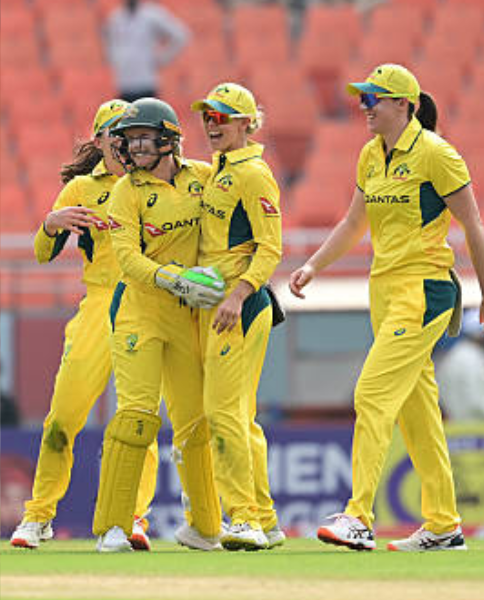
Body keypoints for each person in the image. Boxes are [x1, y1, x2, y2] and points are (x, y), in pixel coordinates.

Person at [290, 64, 484, 552]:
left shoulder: (437, 154)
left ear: (403, 103)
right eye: (363, 98)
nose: (365, 107)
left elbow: (473, 226)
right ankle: (444, 525)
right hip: (385, 293)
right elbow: (353, 222)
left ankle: (358, 516)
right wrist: (313, 265)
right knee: (417, 412)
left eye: (373, 98)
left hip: (424, 291)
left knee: (372, 394)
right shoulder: (370, 154)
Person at [9, 100, 160, 551]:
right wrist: (51, 224)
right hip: (98, 306)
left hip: (147, 305)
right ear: (99, 140)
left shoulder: (152, 180)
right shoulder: (80, 188)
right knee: (63, 417)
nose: (125, 140)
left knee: (138, 419)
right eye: (116, 131)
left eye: (130, 131)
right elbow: (41, 253)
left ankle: (134, 517)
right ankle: (38, 516)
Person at [91, 97, 224, 553]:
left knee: (195, 422)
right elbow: (128, 259)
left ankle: (205, 527)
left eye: (143, 137)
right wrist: (176, 279)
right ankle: (114, 526)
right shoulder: (125, 192)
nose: (134, 147)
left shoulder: (203, 177)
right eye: (129, 140)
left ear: (169, 139)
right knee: (136, 416)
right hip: (140, 313)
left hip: (187, 317)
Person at [189, 82, 284, 550]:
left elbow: (271, 248)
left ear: (247, 123)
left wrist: (239, 295)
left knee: (223, 413)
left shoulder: (254, 174)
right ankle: (265, 519)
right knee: (241, 417)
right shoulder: (219, 170)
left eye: (222, 117)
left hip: (238, 308)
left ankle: (243, 518)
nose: (212, 124)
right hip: (222, 303)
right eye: (208, 116)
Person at [104, 0, 189, 102]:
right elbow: (110, 44)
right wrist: (117, 61)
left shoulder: (152, 15)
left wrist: (163, 59)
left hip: (146, 83)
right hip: (124, 85)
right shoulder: (116, 18)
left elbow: (180, 36)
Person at [436, 310, 484, 421]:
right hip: (473, 424)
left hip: (457, 424)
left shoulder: (457, 353)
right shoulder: (471, 358)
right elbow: (476, 400)